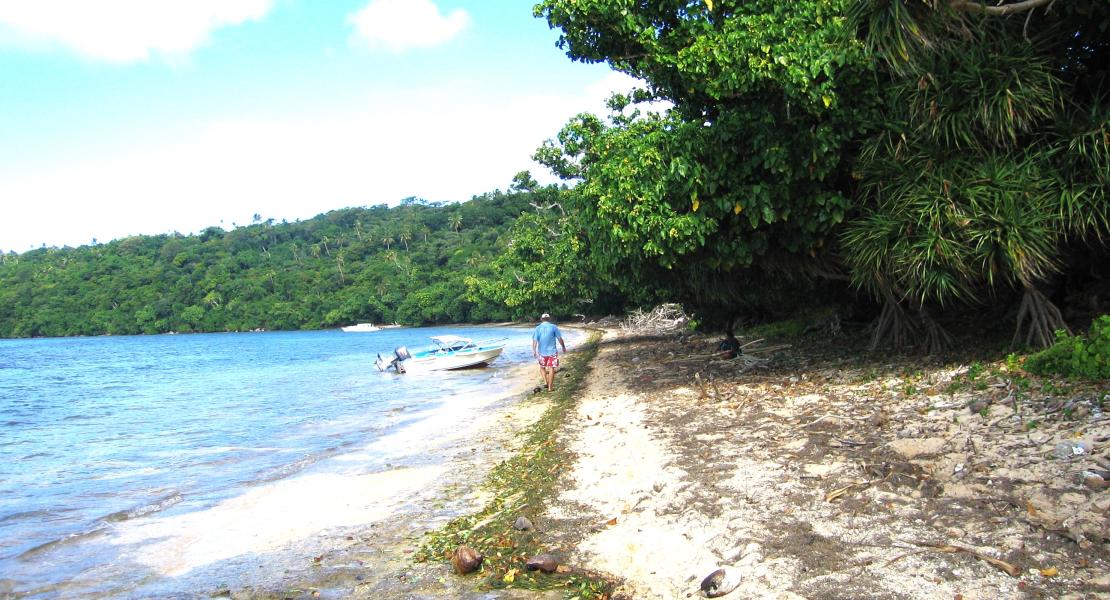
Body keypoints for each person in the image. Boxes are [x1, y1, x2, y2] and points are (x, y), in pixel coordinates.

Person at [532, 313, 567, 392]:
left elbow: (535, 340)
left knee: (542, 367)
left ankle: (545, 381)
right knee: (551, 368)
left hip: (542, 352)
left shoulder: (537, 328)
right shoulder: (553, 327)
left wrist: (534, 350)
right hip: (552, 352)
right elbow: (559, 338)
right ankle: (550, 388)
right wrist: (563, 347)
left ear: (541, 319)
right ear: (549, 319)